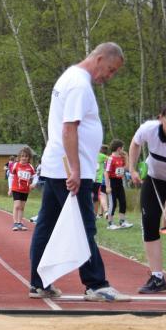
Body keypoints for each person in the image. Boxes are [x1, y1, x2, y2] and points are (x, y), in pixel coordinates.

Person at [28, 42, 129, 302]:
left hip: (58, 167)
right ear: (99, 59)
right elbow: (69, 129)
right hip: (70, 170)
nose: (109, 76)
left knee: (47, 225)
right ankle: (96, 284)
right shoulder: (79, 84)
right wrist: (74, 168)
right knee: (84, 226)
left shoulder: (71, 77)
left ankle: (39, 283)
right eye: (110, 69)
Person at [128, 98, 166, 294]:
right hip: (154, 178)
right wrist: (132, 169)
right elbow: (135, 144)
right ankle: (157, 277)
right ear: (161, 118)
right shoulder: (148, 129)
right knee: (149, 221)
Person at [103, 139, 133, 230]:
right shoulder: (110, 159)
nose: (123, 149)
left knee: (123, 201)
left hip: (119, 182)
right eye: (122, 148)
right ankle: (110, 223)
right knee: (113, 203)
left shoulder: (121, 158)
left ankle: (122, 221)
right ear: (119, 148)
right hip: (112, 182)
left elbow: (126, 168)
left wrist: (127, 157)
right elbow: (106, 172)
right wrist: (108, 186)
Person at [8, 146, 36, 230]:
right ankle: (15, 223)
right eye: (22, 156)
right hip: (16, 189)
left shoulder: (30, 167)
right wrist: (10, 188)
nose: (24, 158)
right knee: (17, 205)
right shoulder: (16, 165)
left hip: (25, 190)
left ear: (29, 157)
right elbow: (11, 176)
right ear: (19, 157)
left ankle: (20, 222)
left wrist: (33, 184)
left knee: (22, 207)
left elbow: (35, 177)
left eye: (26, 156)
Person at [94, 144, 108, 218]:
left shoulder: (97, 155)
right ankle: (101, 213)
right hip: (103, 179)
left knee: (99, 196)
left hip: (97, 178)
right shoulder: (104, 157)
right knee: (102, 195)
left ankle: (100, 213)